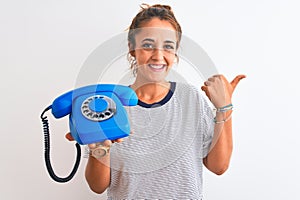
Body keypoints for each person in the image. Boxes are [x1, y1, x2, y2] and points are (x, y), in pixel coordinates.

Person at [66, 4, 245, 199]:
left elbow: (218, 166)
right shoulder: (108, 106)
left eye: (168, 46)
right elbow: (97, 186)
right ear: (132, 48)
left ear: (175, 52)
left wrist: (223, 107)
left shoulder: (192, 99)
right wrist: (101, 147)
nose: (158, 56)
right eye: (148, 44)